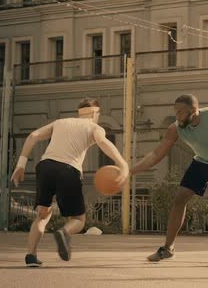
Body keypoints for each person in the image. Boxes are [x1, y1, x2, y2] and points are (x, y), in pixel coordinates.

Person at [130, 94, 208, 267]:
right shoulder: (176, 128)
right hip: (202, 160)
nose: (177, 116)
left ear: (194, 110)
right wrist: (130, 170)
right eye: (175, 112)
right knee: (180, 198)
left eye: (181, 112)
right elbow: (156, 154)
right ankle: (168, 249)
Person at [10, 98, 129, 267]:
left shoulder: (60, 122)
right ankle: (63, 232)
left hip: (45, 166)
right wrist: (122, 164)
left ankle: (31, 255)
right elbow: (103, 142)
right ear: (95, 113)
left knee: (43, 214)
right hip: (68, 169)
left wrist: (21, 165)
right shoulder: (95, 127)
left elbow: (33, 136)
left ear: (79, 113)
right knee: (79, 220)